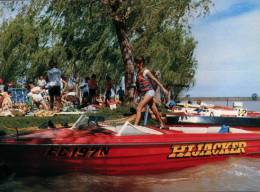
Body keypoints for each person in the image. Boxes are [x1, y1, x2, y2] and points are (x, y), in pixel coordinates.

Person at [134, 56, 169, 129]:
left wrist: (163, 88)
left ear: (142, 63)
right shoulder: (138, 73)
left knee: (139, 108)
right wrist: (137, 96)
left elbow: (155, 79)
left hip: (150, 92)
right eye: (136, 63)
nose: (137, 64)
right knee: (154, 110)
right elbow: (139, 86)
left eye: (138, 63)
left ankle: (135, 126)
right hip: (145, 93)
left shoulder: (146, 71)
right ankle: (161, 124)